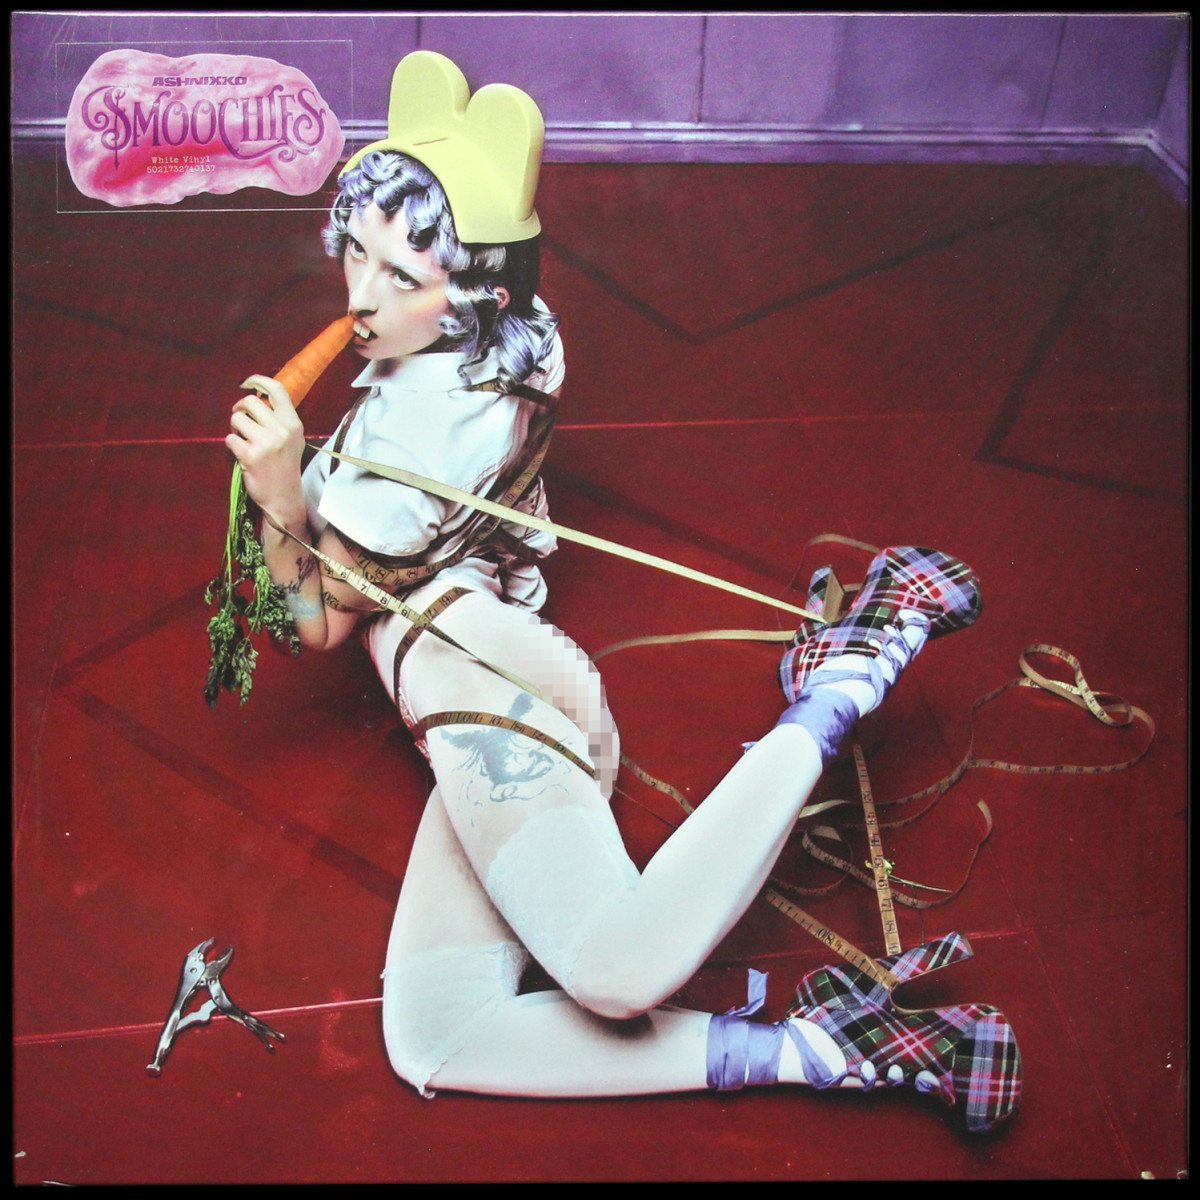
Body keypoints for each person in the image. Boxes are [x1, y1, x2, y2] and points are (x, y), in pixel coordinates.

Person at [224, 51, 1019, 1133]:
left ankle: (846, 677)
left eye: (403, 276)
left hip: (483, 681)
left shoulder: (415, 441)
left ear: (475, 290)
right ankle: (828, 1048)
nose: (361, 296)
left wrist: (280, 494)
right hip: (474, 669)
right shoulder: (499, 347)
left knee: (618, 968)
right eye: (356, 252)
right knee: (436, 1032)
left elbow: (313, 623)